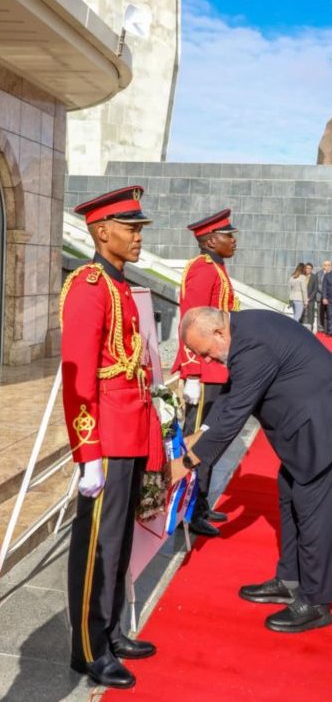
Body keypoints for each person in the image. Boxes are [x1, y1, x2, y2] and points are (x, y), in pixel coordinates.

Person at [167, 307, 332, 633]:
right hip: (309, 423)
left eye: (205, 352)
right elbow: (231, 396)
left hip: (328, 422)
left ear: (218, 334)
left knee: (314, 507)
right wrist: (198, 435)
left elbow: (234, 415)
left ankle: (316, 601)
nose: (206, 360)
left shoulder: (251, 344)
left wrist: (186, 462)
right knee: (290, 493)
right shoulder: (241, 331)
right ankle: (289, 579)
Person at [61, 186, 163, 690]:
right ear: (103, 232)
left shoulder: (119, 284)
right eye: (131, 228)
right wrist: (88, 455)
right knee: (97, 547)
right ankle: (88, 646)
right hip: (106, 437)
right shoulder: (89, 285)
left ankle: (111, 628)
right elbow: (79, 379)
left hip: (132, 432)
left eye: (140, 228)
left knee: (118, 543)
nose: (139, 237)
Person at [171, 209, 239, 537]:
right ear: (211, 240)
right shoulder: (203, 270)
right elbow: (191, 321)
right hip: (205, 371)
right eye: (228, 235)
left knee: (211, 440)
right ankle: (187, 509)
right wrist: (193, 371)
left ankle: (200, 504)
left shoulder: (217, 268)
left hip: (219, 370)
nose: (234, 240)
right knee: (197, 441)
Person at [302, 262, 318, 330]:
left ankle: (310, 328)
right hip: (302, 299)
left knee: (310, 314)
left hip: (311, 299)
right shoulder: (301, 276)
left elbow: (315, 289)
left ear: (311, 269)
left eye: (309, 268)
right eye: (307, 268)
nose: (308, 269)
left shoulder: (314, 277)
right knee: (301, 313)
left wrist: (309, 298)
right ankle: (300, 327)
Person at [316, 260, 331, 332]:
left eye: (328, 265)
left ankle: (329, 328)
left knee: (329, 314)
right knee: (320, 314)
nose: (327, 266)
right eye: (325, 265)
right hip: (320, 297)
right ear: (323, 266)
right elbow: (317, 285)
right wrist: (323, 292)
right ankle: (320, 328)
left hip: (329, 298)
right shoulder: (318, 274)